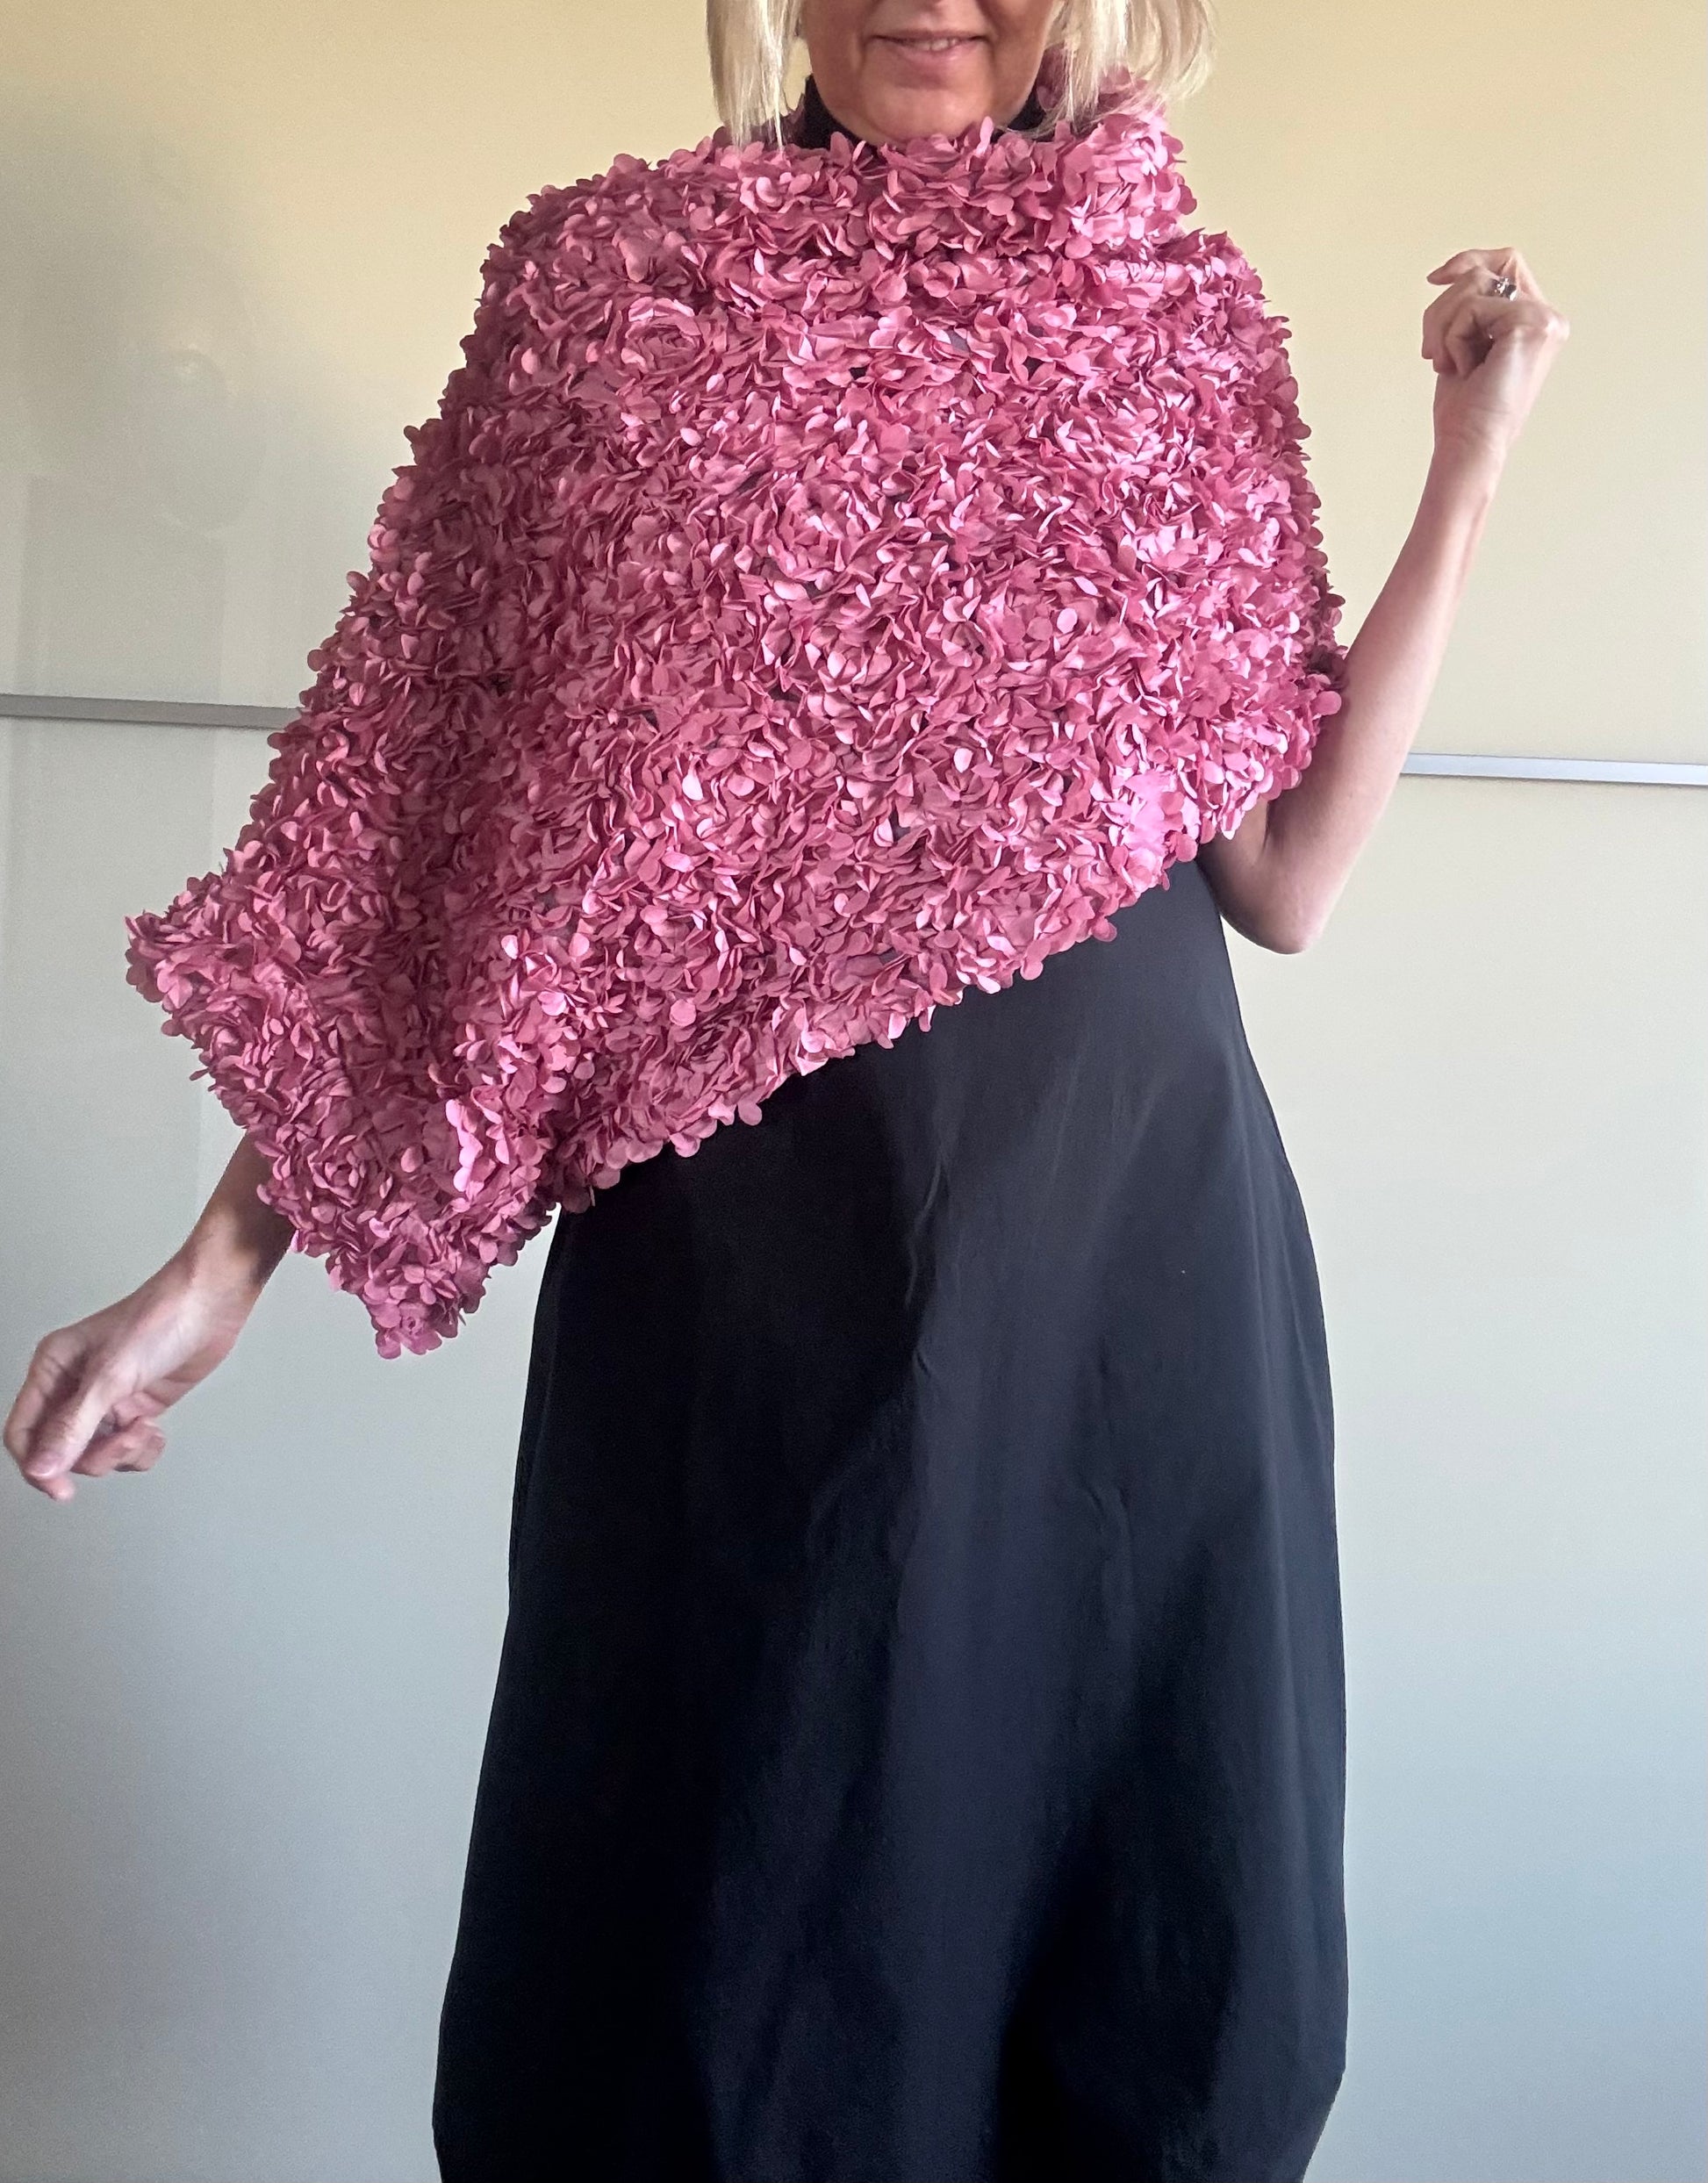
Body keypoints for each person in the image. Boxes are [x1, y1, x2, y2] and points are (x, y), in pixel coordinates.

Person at [4, 2, 1568, 2176]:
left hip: (1126, 1284)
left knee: (1136, 1970)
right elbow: (431, 847)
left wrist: (1469, 459)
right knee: (725, 1968)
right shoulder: (612, 309)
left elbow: (1285, 875)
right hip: (745, 1294)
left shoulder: (1167, 315)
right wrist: (217, 1264)